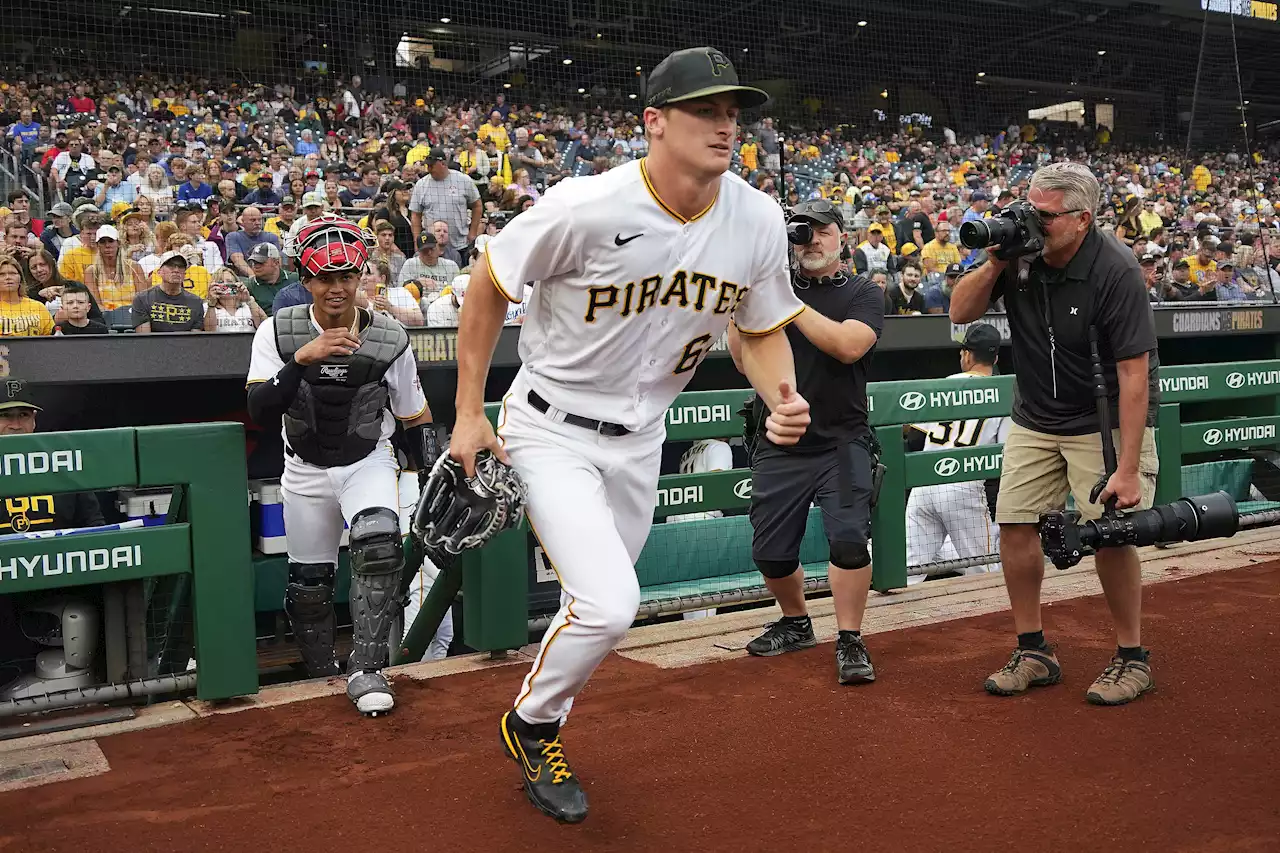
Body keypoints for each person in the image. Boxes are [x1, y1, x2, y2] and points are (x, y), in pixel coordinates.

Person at [449, 47, 810, 824]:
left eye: (732, 111)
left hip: (644, 437)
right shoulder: (588, 204)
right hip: (551, 426)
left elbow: (760, 326)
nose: (725, 125)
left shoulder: (756, 217)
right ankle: (533, 724)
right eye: (704, 110)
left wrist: (781, 394)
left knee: (594, 606)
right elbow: (490, 279)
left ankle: (542, 719)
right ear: (654, 122)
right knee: (611, 605)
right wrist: (469, 410)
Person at [949, 161, 1160, 707]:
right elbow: (959, 310)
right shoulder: (1018, 257)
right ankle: (1034, 649)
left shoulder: (1115, 268)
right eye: (1028, 209)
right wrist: (996, 258)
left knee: (1110, 534)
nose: (1030, 222)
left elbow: (1136, 374)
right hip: (1035, 417)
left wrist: (1129, 466)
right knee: (1014, 525)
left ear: (1081, 219)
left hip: (1101, 420)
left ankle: (1132, 657)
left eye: (1044, 216)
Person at [245, 215, 443, 717]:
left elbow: (414, 413)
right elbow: (259, 410)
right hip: (304, 466)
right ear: (305, 280)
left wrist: (429, 473)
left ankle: (368, 667)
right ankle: (318, 672)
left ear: (362, 277)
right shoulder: (278, 331)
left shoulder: (389, 335)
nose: (337, 288)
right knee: (310, 582)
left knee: (378, 543)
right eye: (326, 279)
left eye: (347, 276)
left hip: (366, 459)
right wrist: (303, 360)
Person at [726, 199, 883, 683]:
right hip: (780, 442)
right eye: (801, 232)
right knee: (770, 553)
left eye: (822, 231)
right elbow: (738, 354)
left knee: (851, 542)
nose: (811, 240)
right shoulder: (770, 289)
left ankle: (850, 638)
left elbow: (848, 345)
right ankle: (796, 621)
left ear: (841, 236)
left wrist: (785, 302)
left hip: (844, 440)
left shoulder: (864, 291)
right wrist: (756, 289)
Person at [904, 323, 1008, 584]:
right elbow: (1006, 453)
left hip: (924, 487)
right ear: (995, 358)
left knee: (910, 571)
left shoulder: (944, 384)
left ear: (967, 355)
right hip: (963, 487)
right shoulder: (1001, 391)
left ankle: (898, 623)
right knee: (983, 571)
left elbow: (907, 429)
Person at [132, 250, 206, 333]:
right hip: (154, 345)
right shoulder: (142, 299)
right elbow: (144, 339)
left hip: (186, 345)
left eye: (181, 267)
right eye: (171, 266)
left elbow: (195, 340)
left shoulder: (196, 302)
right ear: (159, 272)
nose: (176, 270)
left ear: (185, 274)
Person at [0, 254, 55, 336]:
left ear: (20, 278)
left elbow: (51, 340)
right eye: (1, 274)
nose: (8, 277)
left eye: (13, 273)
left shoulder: (38, 307)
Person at [205, 267, 266, 332]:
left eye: (229, 281)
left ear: (237, 284)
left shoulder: (248, 306)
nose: (225, 284)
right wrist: (211, 304)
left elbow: (264, 327)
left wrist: (249, 300)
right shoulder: (208, 307)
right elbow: (209, 332)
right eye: (221, 282)